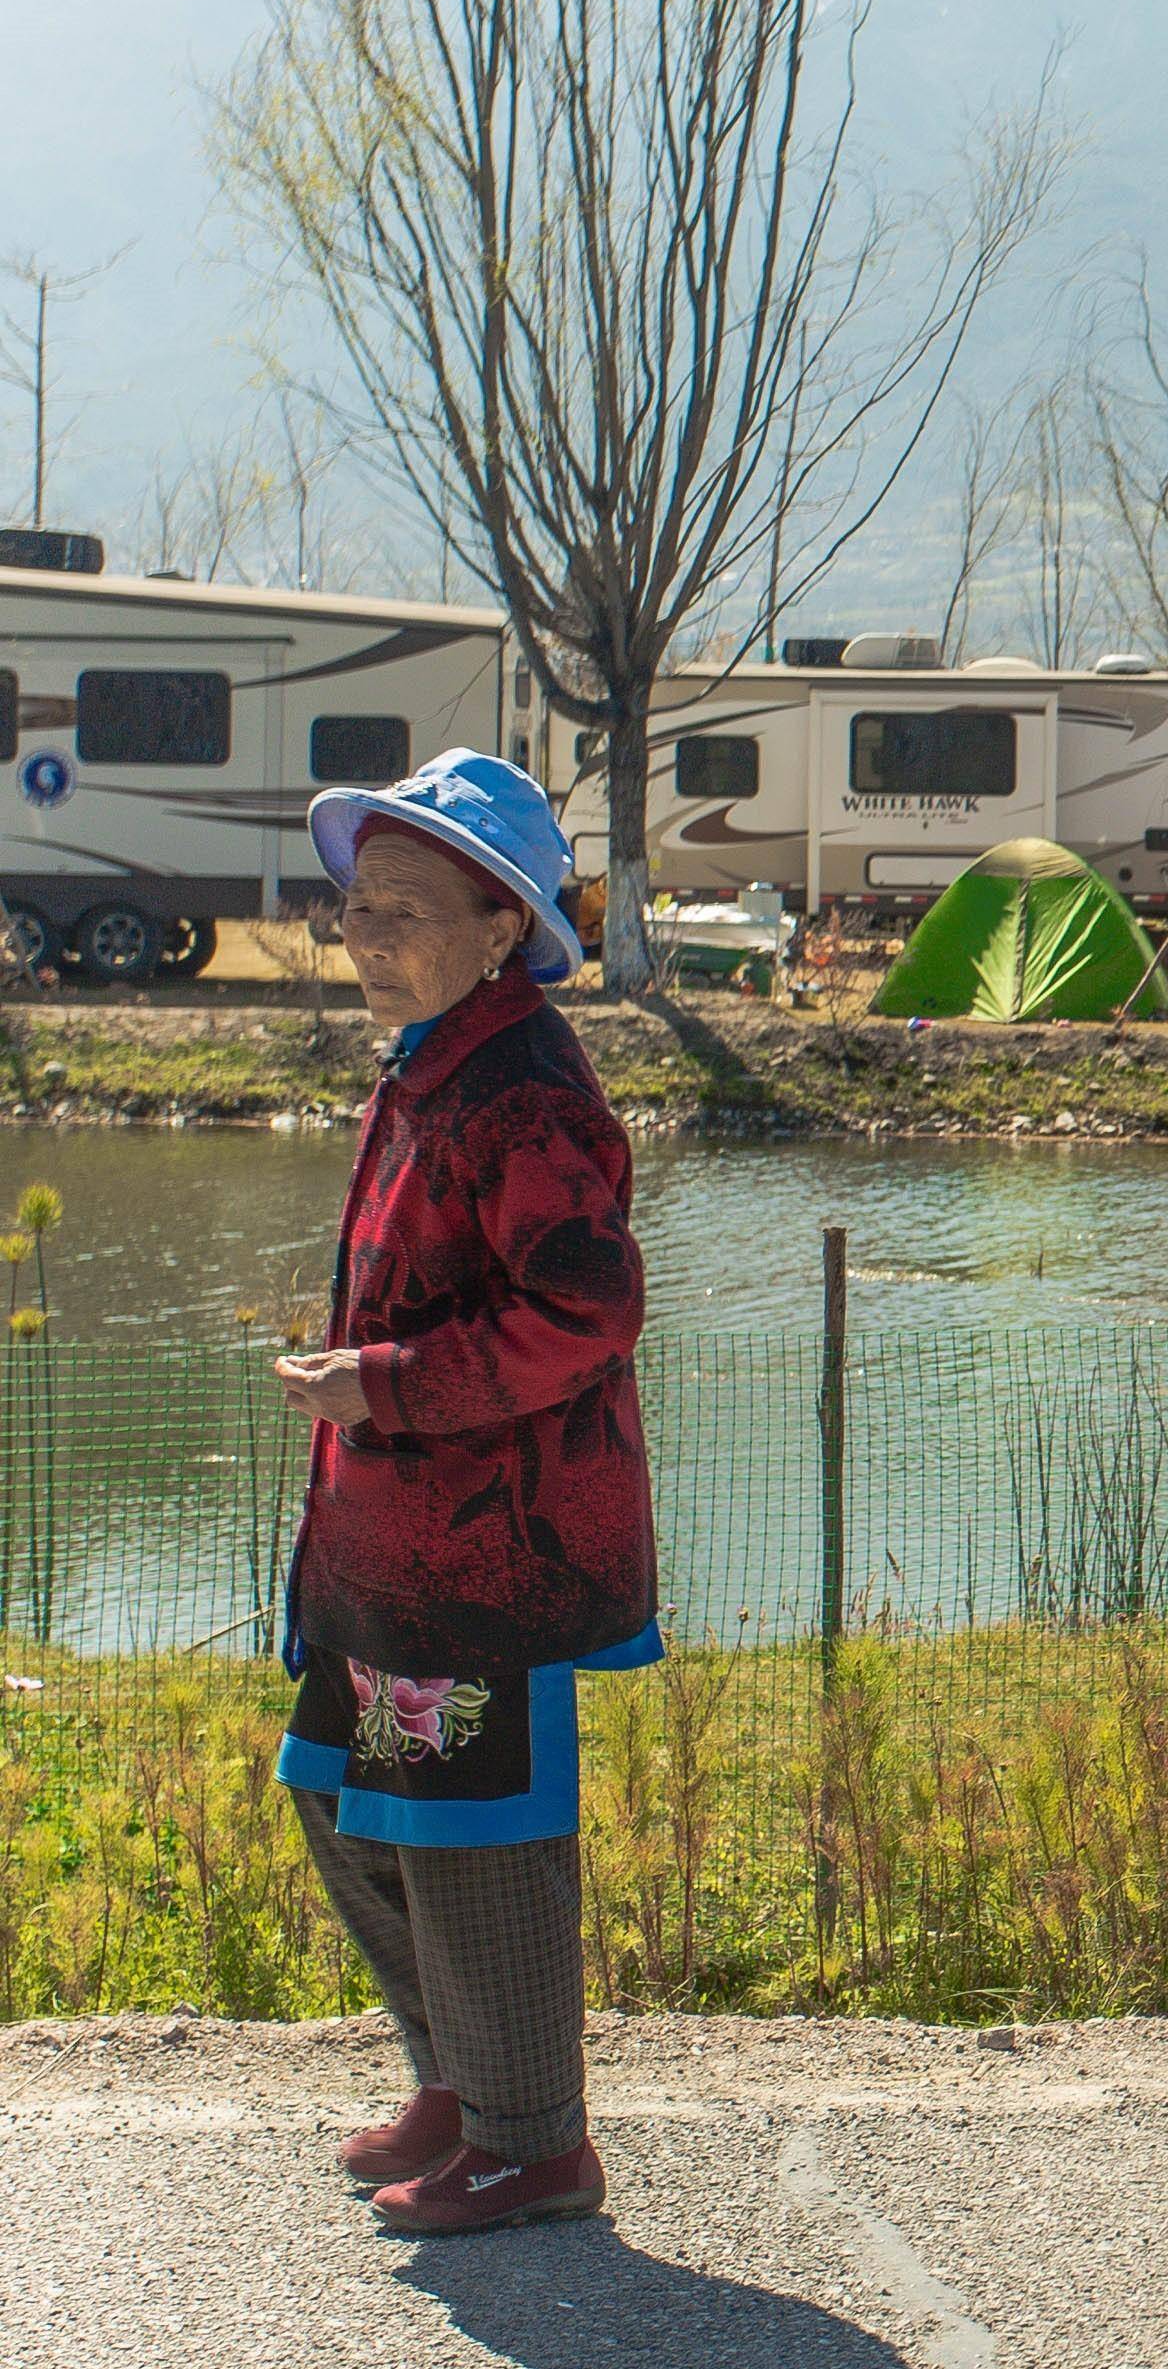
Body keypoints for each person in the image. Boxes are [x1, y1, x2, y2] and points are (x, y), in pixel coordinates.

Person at [273, 750, 653, 2235]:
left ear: (503, 925)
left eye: (404, 907)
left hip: (484, 1557)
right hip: (396, 1553)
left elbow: (584, 1316)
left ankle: (530, 2139)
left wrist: (390, 1381)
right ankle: (460, 2082)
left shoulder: (525, 1088)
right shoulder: (434, 1055)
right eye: (354, 905)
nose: (366, 935)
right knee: (356, 1806)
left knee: (479, 1838)